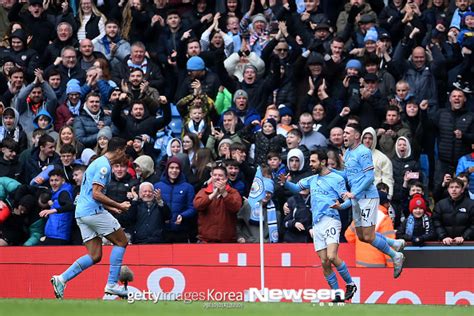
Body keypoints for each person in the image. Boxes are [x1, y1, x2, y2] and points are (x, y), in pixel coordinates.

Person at [50, 137, 131, 299]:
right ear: (119, 151)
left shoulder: (98, 162)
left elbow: (89, 194)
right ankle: (112, 284)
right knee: (122, 241)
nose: (126, 158)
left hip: (82, 213)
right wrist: (120, 205)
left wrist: (113, 207)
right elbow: (96, 193)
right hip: (92, 212)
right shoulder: (104, 167)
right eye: (125, 153)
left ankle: (61, 278)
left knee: (95, 255)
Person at [280, 149, 356, 302]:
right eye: (310, 161)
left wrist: (340, 206)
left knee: (332, 256)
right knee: (324, 262)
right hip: (317, 224)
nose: (310, 164)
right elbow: (296, 188)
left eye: (313, 161)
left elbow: (348, 199)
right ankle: (337, 294)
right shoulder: (311, 179)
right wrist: (285, 183)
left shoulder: (336, 178)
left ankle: (350, 283)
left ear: (323, 162)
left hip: (331, 219)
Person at [340, 124, 406, 278]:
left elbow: (370, 178)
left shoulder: (363, 152)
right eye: (343, 132)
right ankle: (395, 244)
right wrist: (330, 173)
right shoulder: (348, 153)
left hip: (368, 197)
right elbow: (347, 175)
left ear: (356, 136)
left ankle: (396, 255)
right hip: (357, 198)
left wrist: (353, 192)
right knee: (362, 236)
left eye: (347, 133)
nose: (344, 135)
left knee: (369, 236)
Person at [194, 165, 242, 243]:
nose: (217, 177)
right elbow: (197, 205)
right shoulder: (203, 192)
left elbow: (236, 207)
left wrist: (224, 193)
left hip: (227, 241)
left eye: (220, 175)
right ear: (211, 177)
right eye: (215, 175)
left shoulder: (233, 192)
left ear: (226, 178)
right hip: (206, 240)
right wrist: (212, 195)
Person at [433, 178, 474, 245]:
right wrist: (443, 236)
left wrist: (464, 236)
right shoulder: (440, 204)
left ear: (462, 190)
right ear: (448, 189)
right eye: (451, 187)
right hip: (445, 243)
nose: (454, 189)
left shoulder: (471, 204)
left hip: (466, 243)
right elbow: (436, 222)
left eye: (457, 187)